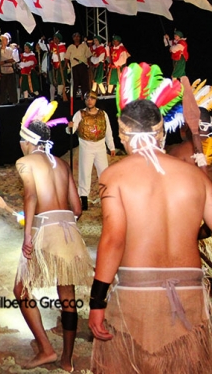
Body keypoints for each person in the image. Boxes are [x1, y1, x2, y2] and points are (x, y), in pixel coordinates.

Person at [89, 64, 211, 373]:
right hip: (190, 293)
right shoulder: (195, 176)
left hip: (136, 294)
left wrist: (97, 301)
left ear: (123, 132)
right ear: (161, 131)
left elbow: (113, 241)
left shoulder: (114, 175)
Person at [15, 98, 91, 371]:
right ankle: (67, 360)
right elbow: (78, 209)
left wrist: (27, 235)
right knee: (67, 293)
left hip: (45, 230)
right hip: (70, 231)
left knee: (21, 289)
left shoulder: (25, 162)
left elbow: (31, 196)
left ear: (27, 141)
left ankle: (46, 349)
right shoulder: (61, 164)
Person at [66, 91, 116, 210]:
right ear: (84, 100)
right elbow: (71, 131)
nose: (90, 100)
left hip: (100, 147)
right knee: (85, 173)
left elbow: (108, 131)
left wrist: (112, 146)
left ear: (96, 100)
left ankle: (106, 197)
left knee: (104, 173)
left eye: (92, 98)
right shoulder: (80, 114)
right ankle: (84, 199)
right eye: (87, 98)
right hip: (86, 147)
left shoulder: (103, 114)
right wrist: (70, 127)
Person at [65, 32, 92, 99]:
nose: (76, 38)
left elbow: (89, 56)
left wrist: (90, 66)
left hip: (83, 66)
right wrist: (67, 67)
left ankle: (86, 98)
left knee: (85, 83)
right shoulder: (70, 47)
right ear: (73, 38)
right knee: (74, 83)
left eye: (78, 36)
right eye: (75, 37)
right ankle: (72, 100)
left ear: (80, 38)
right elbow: (66, 58)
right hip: (74, 67)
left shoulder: (84, 46)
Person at [0, 33, 19, 105]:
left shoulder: (11, 49)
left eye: (5, 40)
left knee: (11, 87)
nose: (4, 41)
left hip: (10, 70)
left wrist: (5, 62)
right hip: (2, 71)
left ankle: (13, 101)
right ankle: (2, 101)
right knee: (2, 88)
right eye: (3, 40)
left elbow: (15, 59)